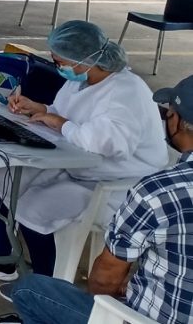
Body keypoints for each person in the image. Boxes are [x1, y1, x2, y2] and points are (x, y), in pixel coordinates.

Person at [0, 21, 167, 285]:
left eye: (60, 62)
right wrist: (40, 108)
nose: (58, 68)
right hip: (78, 164)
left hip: (116, 185)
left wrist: (59, 123)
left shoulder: (126, 92)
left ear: (85, 60)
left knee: (36, 209)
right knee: (3, 177)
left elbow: (108, 143)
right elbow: (66, 112)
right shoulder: (84, 79)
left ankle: (45, 284)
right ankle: (1, 258)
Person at [11, 75, 193, 324]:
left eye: (168, 113)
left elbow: (106, 277)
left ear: (180, 123)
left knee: (29, 290)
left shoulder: (158, 191)